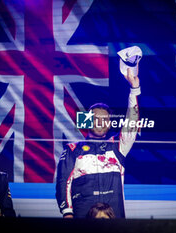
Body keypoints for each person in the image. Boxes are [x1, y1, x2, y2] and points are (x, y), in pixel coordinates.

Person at [56, 67, 140, 218]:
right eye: (96, 119)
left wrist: (134, 89)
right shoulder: (73, 149)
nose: (101, 122)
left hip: (114, 216)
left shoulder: (117, 146)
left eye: (105, 119)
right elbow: (63, 182)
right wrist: (67, 213)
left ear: (109, 123)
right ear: (87, 121)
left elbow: (132, 124)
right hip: (82, 216)